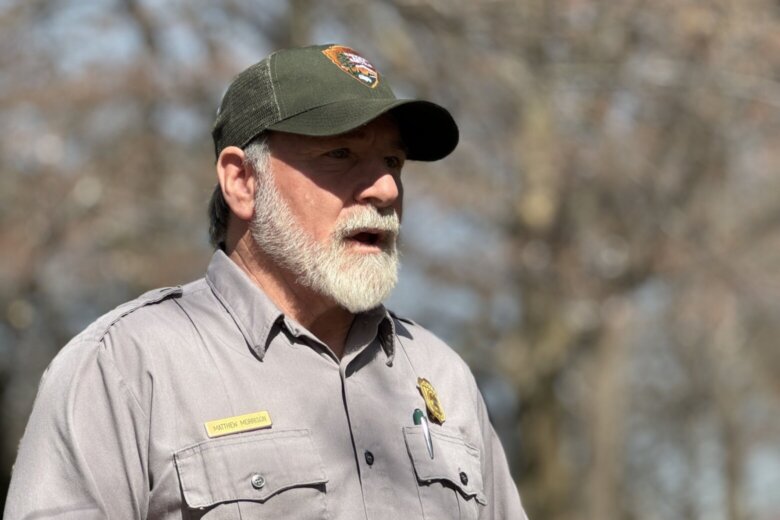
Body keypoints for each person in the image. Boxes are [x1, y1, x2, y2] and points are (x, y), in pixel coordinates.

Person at [4, 43, 527, 519]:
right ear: (242, 181)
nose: (386, 188)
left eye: (393, 161)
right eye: (341, 154)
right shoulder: (125, 368)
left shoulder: (442, 375)